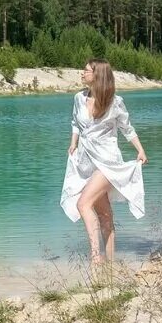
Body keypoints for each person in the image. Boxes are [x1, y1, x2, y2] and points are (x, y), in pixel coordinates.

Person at [60, 58, 148, 269]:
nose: (82, 73)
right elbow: (75, 123)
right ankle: (111, 266)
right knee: (104, 214)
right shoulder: (78, 98)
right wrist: (73, 143)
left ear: (97, 75)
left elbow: (127, 128)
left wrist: (140, 150)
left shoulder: (115, 102)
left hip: (108, 162)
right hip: (86, 161)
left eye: (86, 71)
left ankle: (96, 259)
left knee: (83, 204)